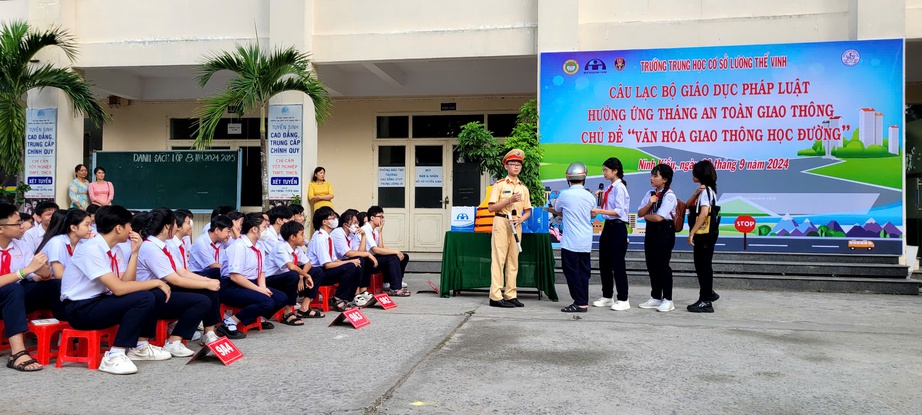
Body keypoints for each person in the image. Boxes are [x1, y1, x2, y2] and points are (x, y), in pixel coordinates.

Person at [61, 205, 173, 375]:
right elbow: (119, 289)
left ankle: (140, 347)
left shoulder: (116, 249)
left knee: (153, 294)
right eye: (129, 225)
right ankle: (115, 354)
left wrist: (135, 253)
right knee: (145, 296)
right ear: (119, 228)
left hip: (100, 301)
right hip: (80, 309)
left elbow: (126, 283)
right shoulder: (91, 249)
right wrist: (156, 282)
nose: (132, 230)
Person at [132, 209, 216, 353]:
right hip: (152, 297)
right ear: (166, 226)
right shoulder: (151, 248)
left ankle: (209, 333)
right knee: (202, 300)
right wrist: (207, 283)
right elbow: (175, 279)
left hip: (162, 291)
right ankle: (173, 341)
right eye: (175, 224)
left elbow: (182, 271)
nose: (177, 228)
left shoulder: (163, 245)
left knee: (210, 290)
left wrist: (207, 281)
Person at [0, 203, 56, 371]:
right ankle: (17, 353)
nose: (22, 226)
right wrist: (25, 271)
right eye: (17, 223)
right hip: (9, 294)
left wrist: (43, 268)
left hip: (15, 299)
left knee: (54, 285)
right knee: (14, 289)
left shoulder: (20, 245)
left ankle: (69, 335)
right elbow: (25, 272)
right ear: (1, 228)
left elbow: (37, 275)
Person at [217, 213, 288, 339]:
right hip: (232, 286)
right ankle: (229, 323)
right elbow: (235, 277)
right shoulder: (238, 246)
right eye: (264, 227)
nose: (266, 230)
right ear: (254, 229)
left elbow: (261, 271)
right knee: (267, 302)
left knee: (281, 298)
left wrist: (263, 287)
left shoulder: (259, 246)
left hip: (251, 282)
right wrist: (259, 290)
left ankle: (253, 316)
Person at [486, 148, 531, 308]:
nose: (516, 167)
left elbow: (528, 211)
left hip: (516, 225)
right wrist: (509, 200)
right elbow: (491, 208)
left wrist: (521, 219)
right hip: (501, 222)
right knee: (499, 260)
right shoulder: (498, 185)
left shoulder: (523, 188)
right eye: (512, 164)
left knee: (513, 260)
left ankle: (511, 294)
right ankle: (495, 296)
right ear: (506, 166)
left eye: (518, 164)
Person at [550, 163, 596, 312]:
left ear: (568, 178)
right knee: (584, 272)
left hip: (570, 240)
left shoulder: (564, 195)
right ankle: (584, 301)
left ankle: (580, 301)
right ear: (584, 177)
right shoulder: (590, 196)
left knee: (571, 271)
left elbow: (557, 210)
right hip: (585, 240)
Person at [591, 157, 631, 311]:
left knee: (618, 263)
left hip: (618, 227)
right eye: (603, 170)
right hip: (608, 226)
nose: (604, 173)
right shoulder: (611, 188)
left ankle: (623, 298)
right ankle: (607, 295)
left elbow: (619, 211)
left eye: (606, 170)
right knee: (604, 262)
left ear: (615, 171)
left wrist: (600, 210)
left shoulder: (620, 187)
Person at [637, 164, 678, 312]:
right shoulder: (650, 193)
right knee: (651, 263)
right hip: (651, 230)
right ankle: (655, 297)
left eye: (656, 176)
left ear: (665, 179)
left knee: (662, 264)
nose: (652, 178)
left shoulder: (669, 196)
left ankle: (668, 299)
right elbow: (640, 212)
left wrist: (647, 216)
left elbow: (659, 217)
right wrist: (649, 204)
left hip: (665, 231)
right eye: (651, 175)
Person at [267, 221, 323, 323]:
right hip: (270, 280)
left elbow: (308, 262)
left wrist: (302, 277)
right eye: (301, 234)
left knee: (316, 271)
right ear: (292, 237)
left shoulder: (296, 248)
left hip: (287, 278)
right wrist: (305, 275)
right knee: (293, 275)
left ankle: (304, 308)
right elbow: (291, 266)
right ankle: (287, 313)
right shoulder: (280, 247)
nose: (304, 238)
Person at [307, 207, 361, 311]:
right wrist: (349, 262)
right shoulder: (320, 238)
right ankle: (337, 298)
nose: (335, 220)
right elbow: (327, 264)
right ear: (324, 222)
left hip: (326, 269)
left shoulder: (328, 236)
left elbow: (334, 259)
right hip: (318, 273)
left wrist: (352, 261)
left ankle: (348, 299)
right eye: (332, 218)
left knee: (357, 265)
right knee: (350, 267)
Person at [685, 160, 720, 313]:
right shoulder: (705, 191)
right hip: (708, 234)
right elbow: (686, 205)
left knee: (703, 266)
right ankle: (708, 293)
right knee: (703, 265)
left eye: (695, 172)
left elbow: (704, 213)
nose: (692, 174)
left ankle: (705, 300)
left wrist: (692, 232)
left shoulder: (706, 192)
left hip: (704, 235)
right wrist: (695, 193)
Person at [331, 209, 377, 305]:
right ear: (345, 224)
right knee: (360, 259)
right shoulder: (337, 232)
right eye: (354, 223)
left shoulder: (353, 234)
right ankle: (355, 294)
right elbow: (348, 253)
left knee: (365, 259)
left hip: (347, 259)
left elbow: (360, 252)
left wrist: (363, 235)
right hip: (337, 262)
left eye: (357, 223)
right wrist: (368, 254)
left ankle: (362, 291)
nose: (356, 225)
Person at [362, 206, 410, 296]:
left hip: (374, 257)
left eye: (382, 217)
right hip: (367, 260)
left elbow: (380, 247)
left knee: (403, 256)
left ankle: (395, 282)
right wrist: (395, 251)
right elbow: (375, 250)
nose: (382, 219)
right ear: (372, 218)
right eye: (380, 217)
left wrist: (380, 232)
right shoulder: (365, 229)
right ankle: (395, 288)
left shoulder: (375, 231)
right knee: (392, 257)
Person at [37, 209, 93, 279]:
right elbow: (59, 274)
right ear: (73, 228)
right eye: (87, 225)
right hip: (46, 283)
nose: (91, 229)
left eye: (91, 225)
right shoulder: (57, 242)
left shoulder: (83, 242)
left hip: (68, 281)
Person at [189, 215, 233, 280]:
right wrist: (233, 268)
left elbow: (238, 244)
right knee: (219, 272)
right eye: (228, 231)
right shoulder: (201, 243)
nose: (230, 235)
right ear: (217, 230)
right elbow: (213, 265)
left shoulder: (221, 240)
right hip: (198, 274)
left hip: (213, 272)